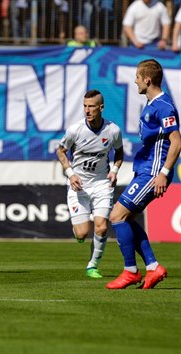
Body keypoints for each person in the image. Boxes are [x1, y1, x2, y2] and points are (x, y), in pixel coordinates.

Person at [106, 59, 180, 290]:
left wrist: (164, 173)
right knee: (125, 218)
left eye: (138, 76)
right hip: (145, 170)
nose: (135, 80)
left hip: (153, 173)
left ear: (147, 80)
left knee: (117, 216)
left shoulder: (164, 106)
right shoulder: (151, 105)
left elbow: (176, 141)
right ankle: (153, 267)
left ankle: (130, 271)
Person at [56, 89, 124, 279]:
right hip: (79, 185)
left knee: (101, 226)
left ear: (101, 107)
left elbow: (119, 153)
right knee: (81, 233)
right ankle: (79, 232)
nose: (87, 110)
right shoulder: (74, 130)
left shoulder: (113, 131)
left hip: (102, 184)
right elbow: (60, 151)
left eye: (91, 106)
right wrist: (70, 174)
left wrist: (114, 171)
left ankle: (92, 266)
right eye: (85, 106)